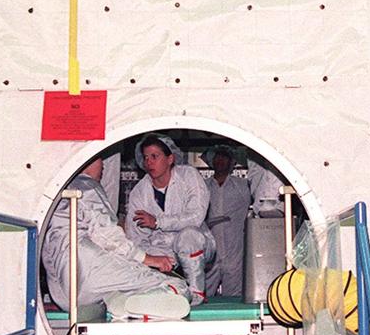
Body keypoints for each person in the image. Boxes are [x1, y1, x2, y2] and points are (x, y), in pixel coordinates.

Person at [42, 157, 190, 319]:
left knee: (119, 288)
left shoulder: (56, 191)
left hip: (62, 294)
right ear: (87, 161)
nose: (103, 166)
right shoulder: (86, 185)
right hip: (89, 272)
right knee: (178, 286)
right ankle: (130, 304)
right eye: (100, 160)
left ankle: (118, 302)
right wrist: (149, 259)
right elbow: (108, 236)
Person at [125, 134, 216, 303]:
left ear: (170, 159)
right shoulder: (139, 192)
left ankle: (196, 295)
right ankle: (169, 296)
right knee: (141, 263)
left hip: (197, 243)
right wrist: (151, 259)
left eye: (154, 156)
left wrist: (158, 222)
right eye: (146, 157)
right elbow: (135, 238)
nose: (149, 162)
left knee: (188, 236)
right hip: (162, 248)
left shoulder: (188, 176)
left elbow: (196, 216)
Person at [205, 146, 250, 298]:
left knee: (233, 297)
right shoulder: (203, 186)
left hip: (235, 250)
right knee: (203, 294)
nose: (220, 160)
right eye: (217, 157)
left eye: (224, 157)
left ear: (232, 162)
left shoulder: (242, 185)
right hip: (210, 251)